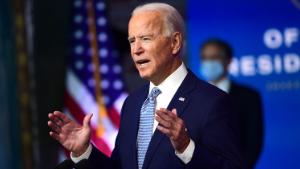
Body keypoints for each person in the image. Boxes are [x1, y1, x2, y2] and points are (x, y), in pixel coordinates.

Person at [48, 3, 244, 169]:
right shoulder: (133, 103)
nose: (136, 49)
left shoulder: (212, 102)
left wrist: (186, 147)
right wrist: (84, 151)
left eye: (145, 39)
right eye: (132, 41)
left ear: (175, 43)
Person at [199, 38, 264, 169]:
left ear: (228, 61)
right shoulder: (194, 95)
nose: (208, 62)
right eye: (205, 58)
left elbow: (253, 141)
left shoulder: (248, 96)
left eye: (214, 57)